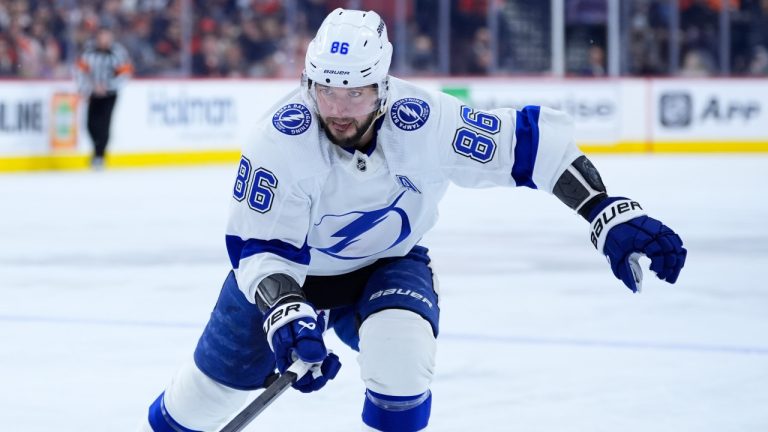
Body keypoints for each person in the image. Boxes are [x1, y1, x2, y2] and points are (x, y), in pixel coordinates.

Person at [139, 8, 687, 432]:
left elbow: (534, 149)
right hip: (286, 280)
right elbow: (258, 250)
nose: (339, 108)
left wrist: (608, 213)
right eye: (327, 89)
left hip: (387, 265)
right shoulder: (278, 139)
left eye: (355, 91)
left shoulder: (427, 121)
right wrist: (287, 314)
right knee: (195, 409)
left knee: (401, 365)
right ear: (308, 83)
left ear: (382, 84)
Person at [76, 26, 133, 169]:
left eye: (107, 36)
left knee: (104, 124)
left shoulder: (118, 52)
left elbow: (125, 74)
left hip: (110, 94)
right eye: (102, 36)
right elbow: (80, 71)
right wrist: (87, 88)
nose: (104, 39)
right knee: (90, 124)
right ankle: (97, 151)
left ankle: (99, 155)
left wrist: (107, 86)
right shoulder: (88, 51)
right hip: (93, 93)